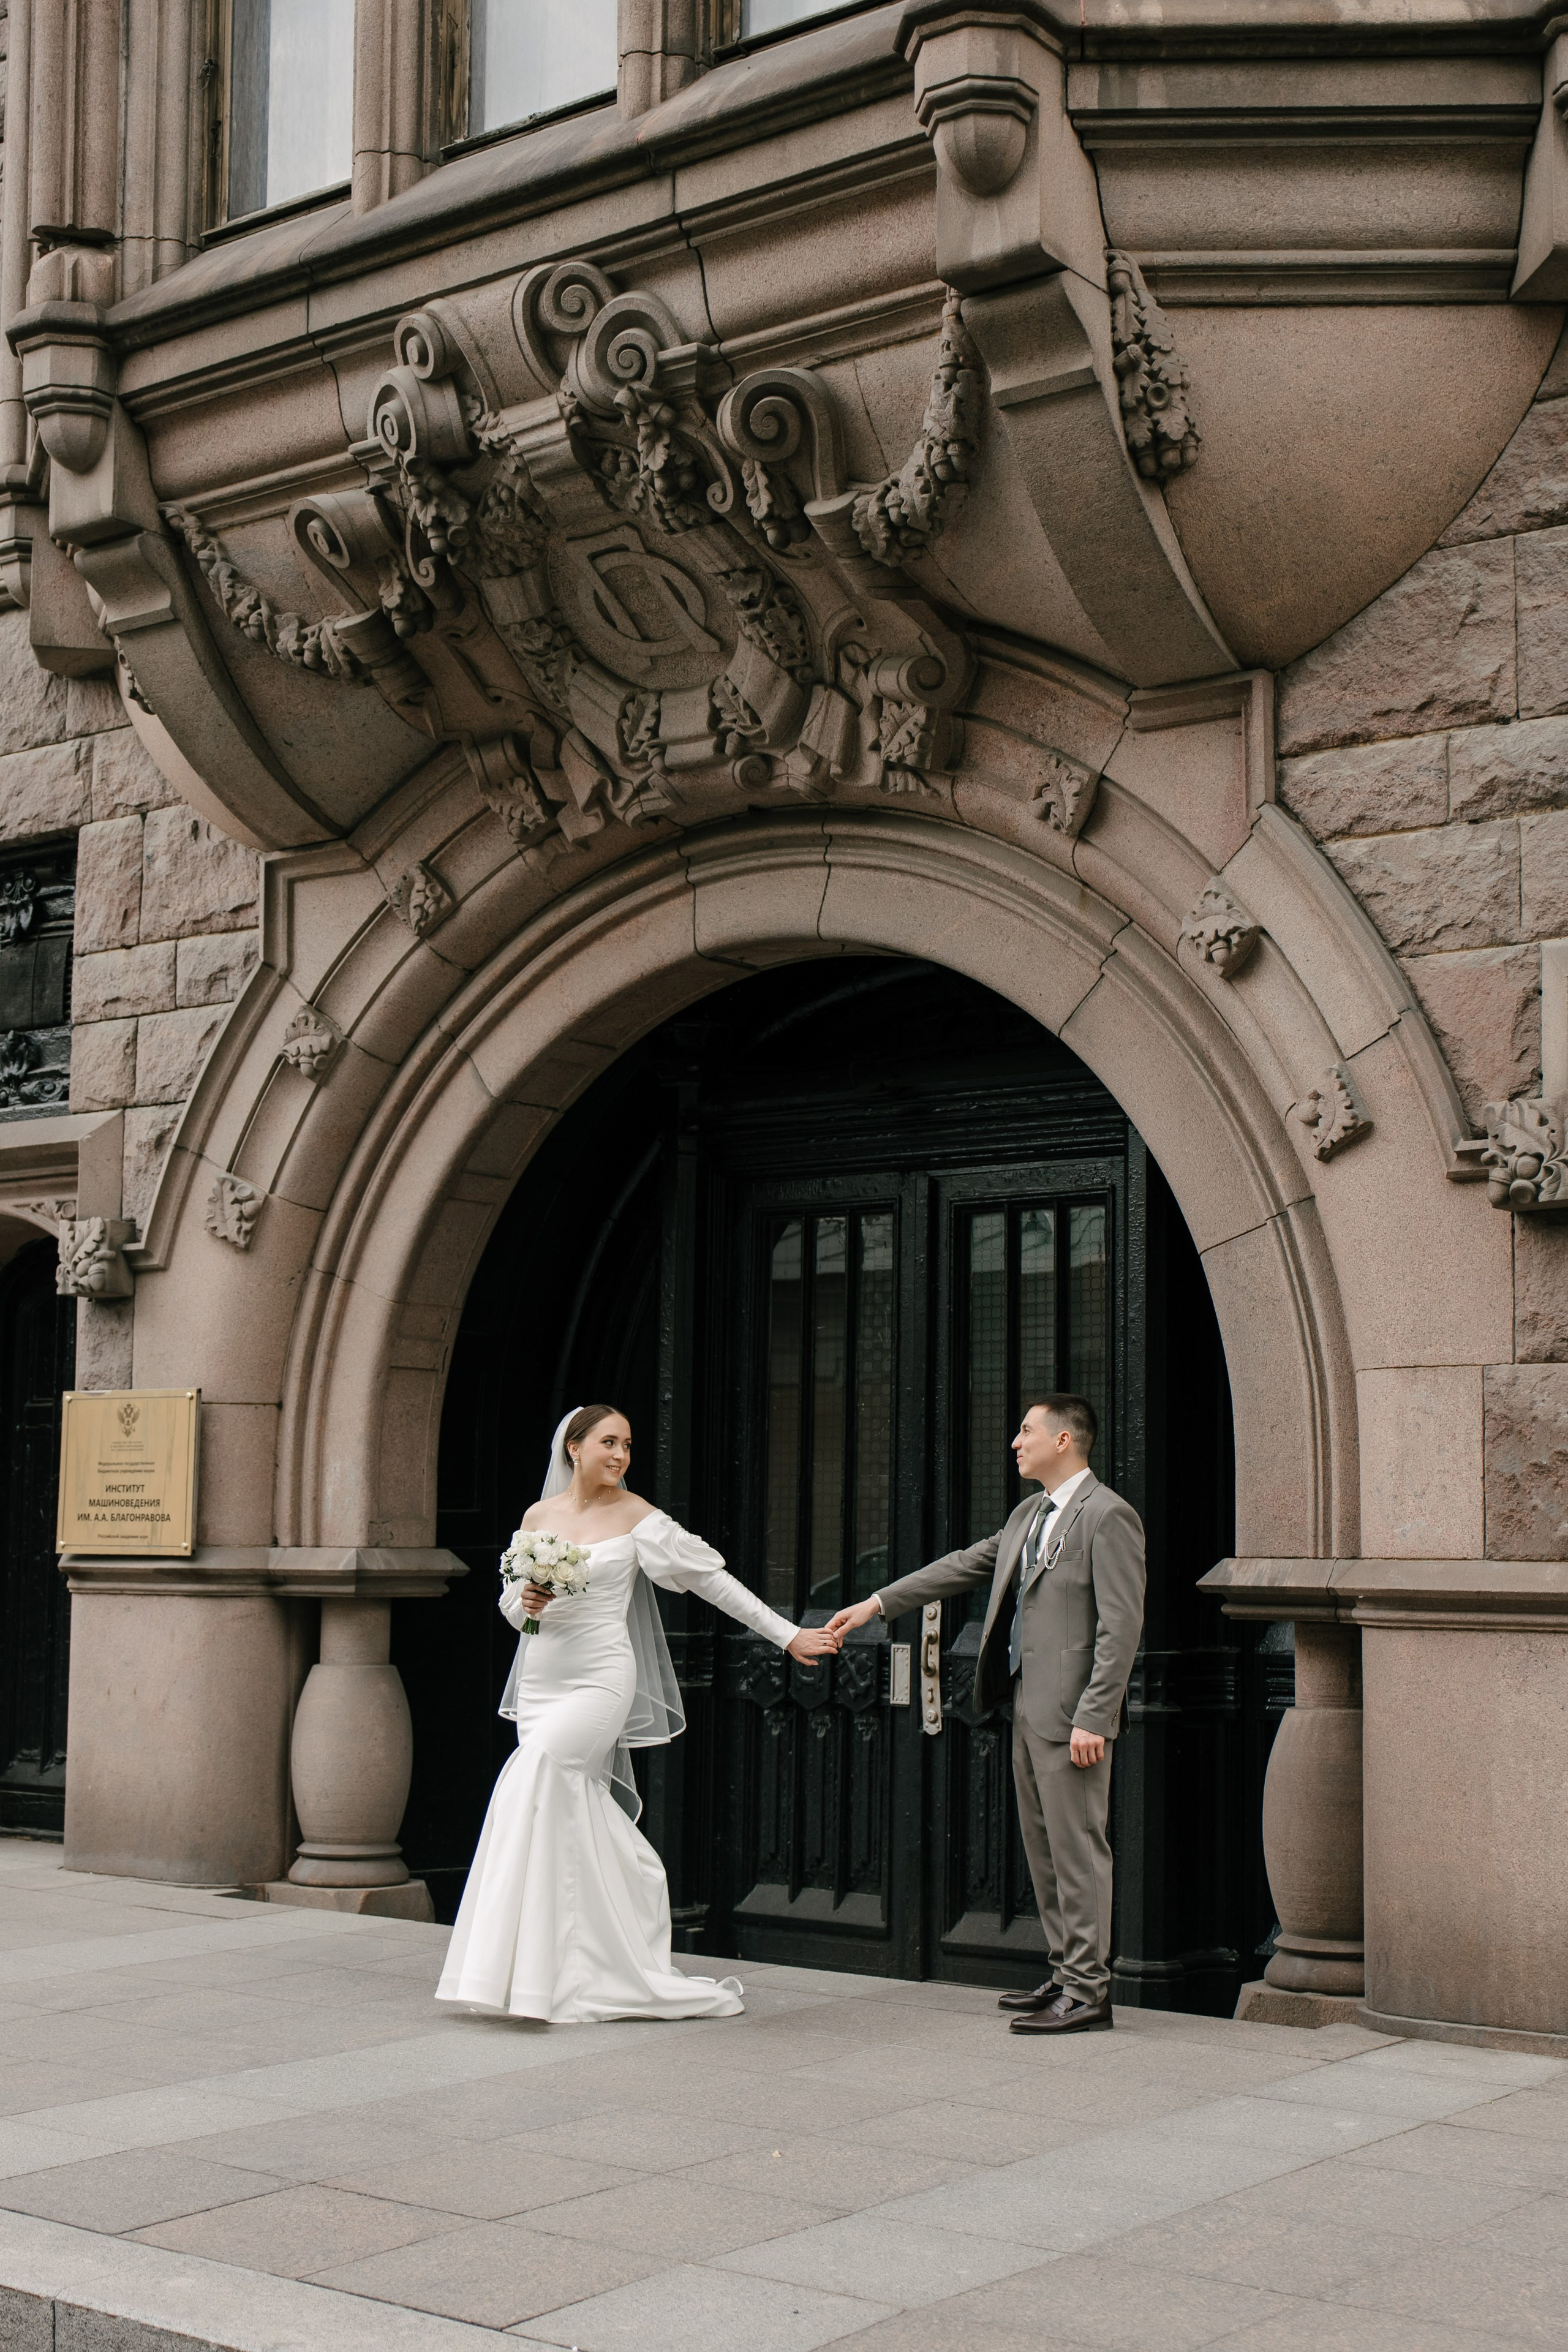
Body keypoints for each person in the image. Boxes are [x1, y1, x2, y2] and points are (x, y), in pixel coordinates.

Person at [436, 1402, 839, 2024]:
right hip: (543, 1681)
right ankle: (553, 1963)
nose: (621, 1455)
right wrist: (530, 1599)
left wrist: (786, 1635)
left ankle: (565, 1962)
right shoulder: (538, 1517)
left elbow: (715, 1583)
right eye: (608, 1442)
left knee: (532, 1776)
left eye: (627, 1445)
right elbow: (517, 1617)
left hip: (600, 1678)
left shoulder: (639, 1517)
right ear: (574, 1448)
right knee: (560, 1804)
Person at [827, 1394, 1144, 2036]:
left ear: (1064, 1440)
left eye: (1026, 1430)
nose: (1014, 1442)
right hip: (1026, 1704)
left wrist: (1095, 1714)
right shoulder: (1029, 1514)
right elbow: (963, 1567)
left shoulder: (1107, 1516)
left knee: (1078, 1851)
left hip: (1072, 1717)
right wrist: (876, 1604)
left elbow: (1121, 1624)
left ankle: (1089, 1991)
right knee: (1045, 1851)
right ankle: (1065, 1973)